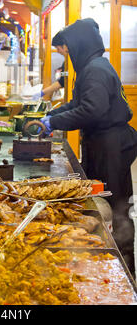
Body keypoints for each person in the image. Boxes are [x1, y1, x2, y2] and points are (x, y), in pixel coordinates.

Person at [40, 18, 137, 275]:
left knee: (116, 203)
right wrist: (52, 117)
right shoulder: (91, 68)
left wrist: (54, 122)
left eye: (67, 49)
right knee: (100, 198)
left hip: (111, 145)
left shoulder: (96, 69)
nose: (66, 53)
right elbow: (77, 103)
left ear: (80, 45)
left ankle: (124, 267)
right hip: (102, 142)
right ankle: (104, 257)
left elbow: (92, 110)